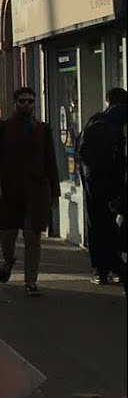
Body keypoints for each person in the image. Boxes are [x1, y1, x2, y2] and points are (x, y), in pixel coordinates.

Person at [0, 87, 61, 296]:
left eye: (30, 102)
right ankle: (9, 260)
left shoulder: (43, 130)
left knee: (32, 235)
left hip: (36, 190)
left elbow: (50, 161)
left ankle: (31, 281)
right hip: (9, 190)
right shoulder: (1, 128)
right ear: (15, 103)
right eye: (22, 101)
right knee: (7, 234)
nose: (26, 105)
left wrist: (55, 192)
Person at [77, 87, 127, 286]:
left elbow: (82, 152)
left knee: (98, 223)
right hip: (121, 180)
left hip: (96, 181)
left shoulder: (98, 120)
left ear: (108, 101)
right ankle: (119, 267)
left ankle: (101, 270)